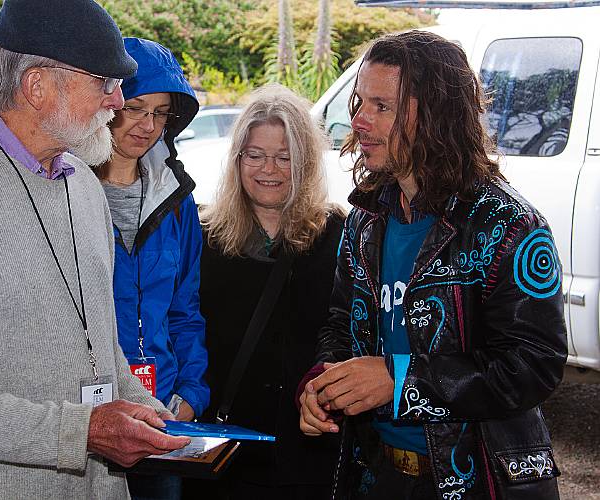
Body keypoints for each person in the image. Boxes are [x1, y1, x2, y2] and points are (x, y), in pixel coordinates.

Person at [0, 1, 190, 498]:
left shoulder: (84, 186)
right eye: (104, 81)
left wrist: (146, 413)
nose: (117, 99)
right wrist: (79, 432)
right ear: (37, 85)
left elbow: (99, 343)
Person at [297, 30, 567, 500]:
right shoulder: (365, 218)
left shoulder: (508, 224)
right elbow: (341, 323)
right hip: (378, 474)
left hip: (479, 481)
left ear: (438, 116)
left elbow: (533, 366)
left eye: (382, 106)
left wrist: (401, 380)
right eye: (359, 102)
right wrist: (324, 383)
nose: (359, 120)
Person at [189, 84, 345, 499]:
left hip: (308, 454)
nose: (268, 170)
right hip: (223, 452)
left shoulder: (339, 235)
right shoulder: (205, 237)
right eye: (255, 156)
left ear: (306, 163)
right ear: (237, 159)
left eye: (284, 158)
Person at [74, 37, 208, 500]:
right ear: (106, 102)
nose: (147, 125)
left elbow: (185, 308)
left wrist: (191, 392)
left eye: (160, 112)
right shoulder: (64, 190)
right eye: (135, 108)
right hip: (89, 419)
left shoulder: (177, 201)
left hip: (160, 413)